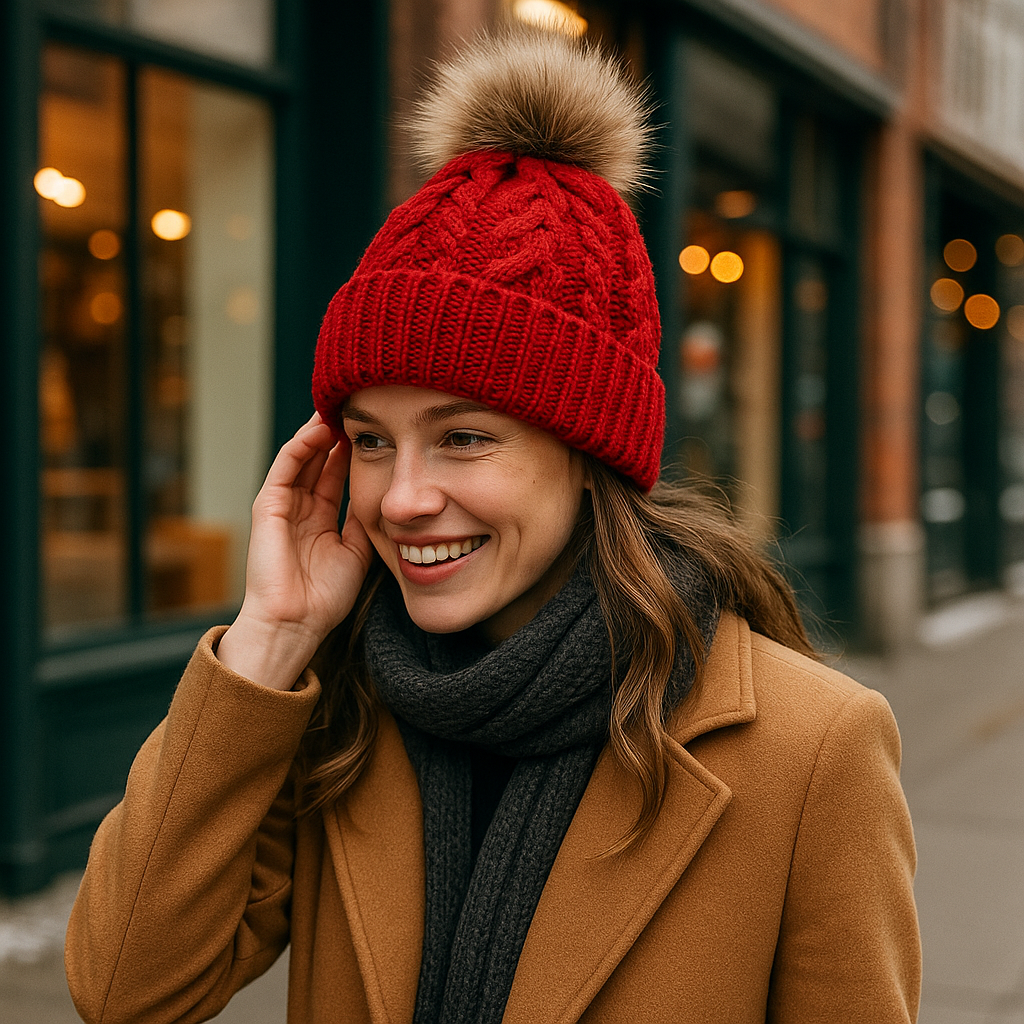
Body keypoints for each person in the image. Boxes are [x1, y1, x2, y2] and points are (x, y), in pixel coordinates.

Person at [65, 28, 920, 1024]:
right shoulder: (341, 704)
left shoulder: (811, 750)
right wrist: (271, 637)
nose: (398, 498)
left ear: (587, 454)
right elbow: (126, 986)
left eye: (463, 437)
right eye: (373, 441)